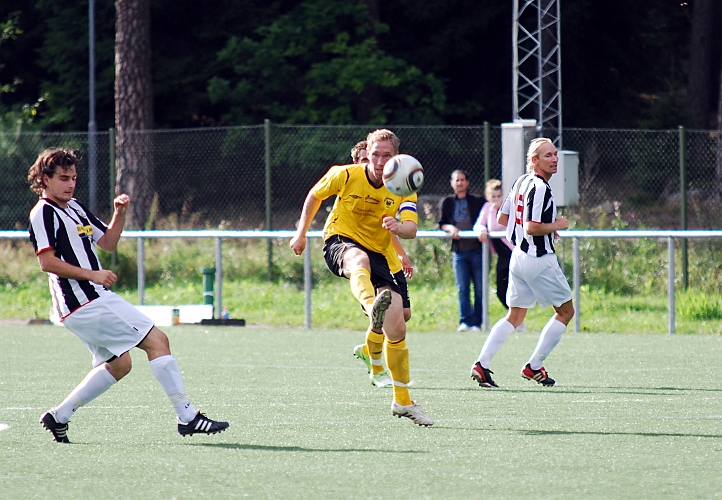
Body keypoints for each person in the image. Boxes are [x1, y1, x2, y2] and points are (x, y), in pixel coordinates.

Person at [27, 148, 229, 443]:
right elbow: (46, 262)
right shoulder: (43, 212)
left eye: (73, 178)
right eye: (63, 178)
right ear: (44, 179)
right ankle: (187, 417)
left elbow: (107, 242)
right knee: (158, 341)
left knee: (120, 364)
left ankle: (59, 416)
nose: (70, 184)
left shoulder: (74, 208)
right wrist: (93, 275)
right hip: (84, 300)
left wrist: (119, 214)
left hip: (87, 301)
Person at [290, 129, 433, 426]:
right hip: (340, 240)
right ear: (366, 152)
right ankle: (371, 307)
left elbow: (411, 229)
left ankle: (402, 402)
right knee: (358, 259)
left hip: (380, 253)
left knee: (397, 326)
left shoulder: (404, 186)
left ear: (397, 157)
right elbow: (314, 196)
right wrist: (301, 233)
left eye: (387, 155)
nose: (380, 161)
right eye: (375, 155)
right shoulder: (344, 174)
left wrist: (397, 226)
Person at [470, 138, 574, 388]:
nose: (554, 159)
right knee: (566, 311)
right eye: (547, 155)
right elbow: (531, 226)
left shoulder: (520, 181)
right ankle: (533, 366)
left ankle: (481, 365)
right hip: (539, 259)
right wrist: (554, 226)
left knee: (515, 315)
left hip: (518, 257)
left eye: (555, 154)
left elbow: (503, 218)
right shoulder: (540, 187)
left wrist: (546, 229)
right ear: (534, 160)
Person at [349, 140, 414, 388]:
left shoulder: (389, 187)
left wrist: (401, 254)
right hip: (372, 262)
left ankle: (370, 350)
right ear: (358, 163)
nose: (374, 164)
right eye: (366, 159)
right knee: (384, 316)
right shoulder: (355, 190)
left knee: (404, 315)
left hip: (390, 260)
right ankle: (377, 364)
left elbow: (390, 227)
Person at [473, 179, 526, 332]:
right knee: (501, 290)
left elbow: (500, 224)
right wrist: (481, 230)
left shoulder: (508, 208)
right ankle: (516, 318)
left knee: (515, 287)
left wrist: (495, 210)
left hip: (512, 251)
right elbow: (480, 224)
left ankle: (518, 319)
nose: (496, 200)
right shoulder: (487, 208)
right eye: (493, 197)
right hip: (501, 255)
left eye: (499, 196)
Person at [438, 170, 486, 332]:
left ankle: (477, 323)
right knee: (463, 288)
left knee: (480, 288)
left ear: (467, 182)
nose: (459, 183)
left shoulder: (478, 201)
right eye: (456, 180)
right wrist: (450, 228)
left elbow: (487, 217)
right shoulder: (447, 202)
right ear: (452, 183)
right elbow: (442, 223)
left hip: (477, 251)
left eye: (462, 180)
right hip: (459, 253)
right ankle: (465, 321)